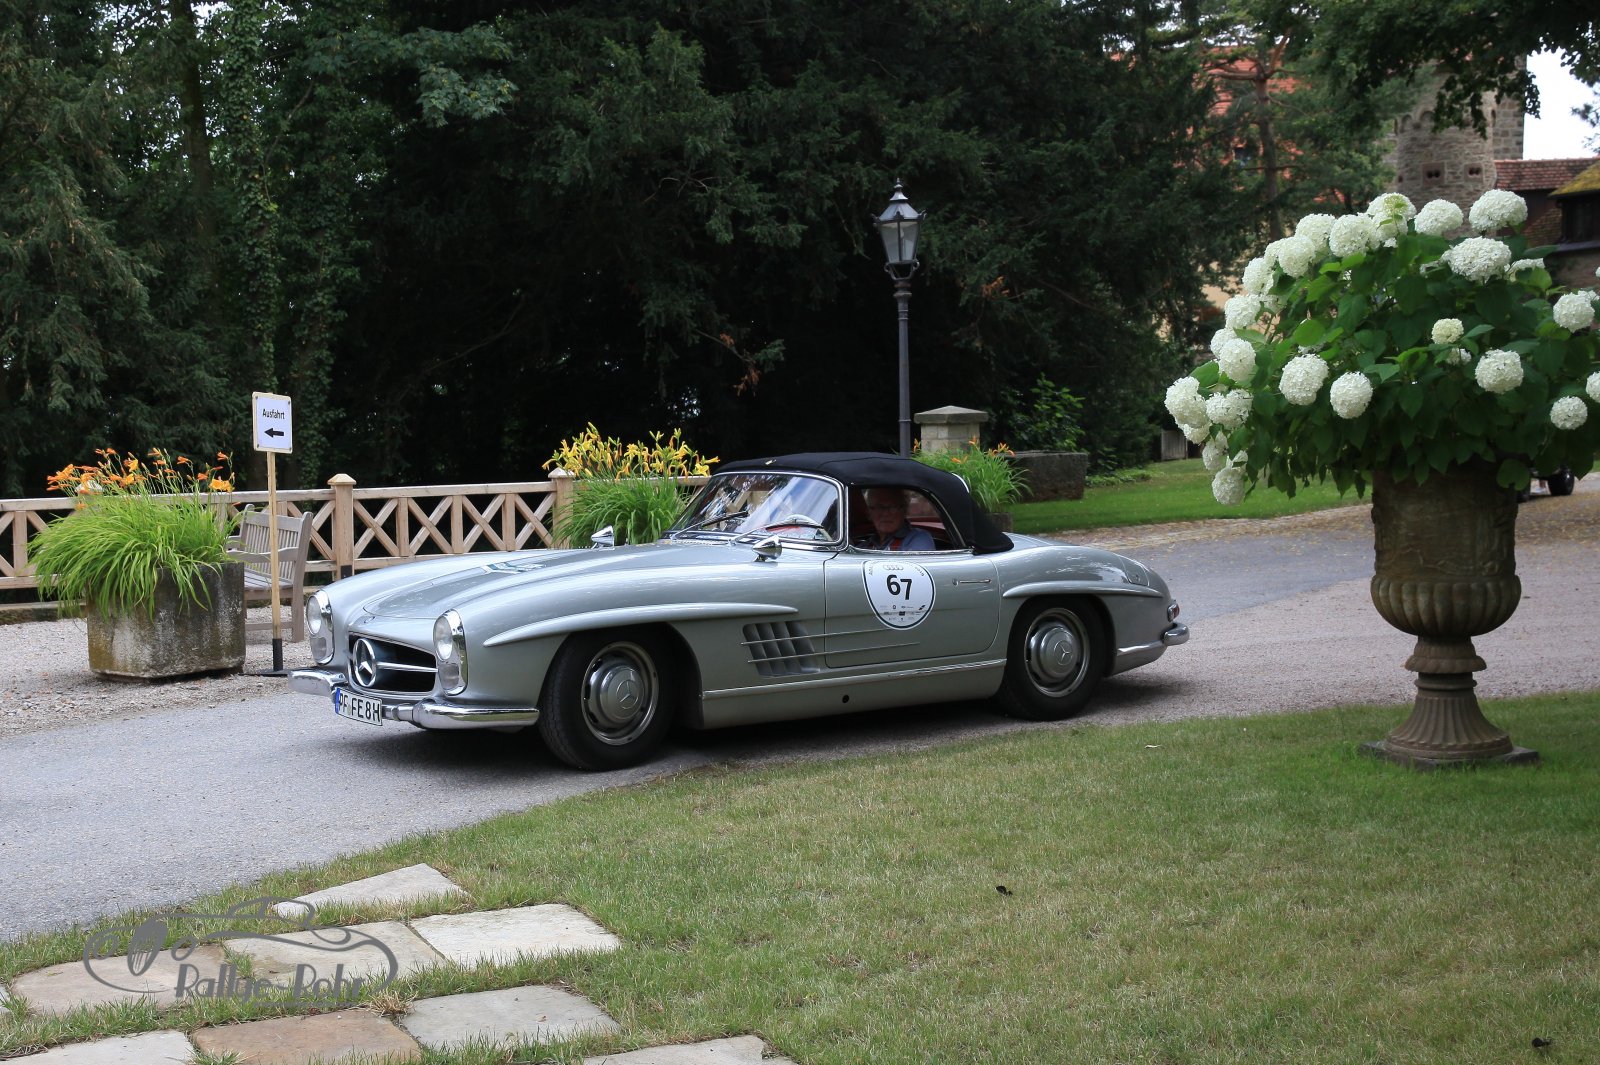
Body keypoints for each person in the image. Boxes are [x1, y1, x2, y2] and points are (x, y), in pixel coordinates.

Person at [856, 487, 935, 551]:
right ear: (869, 513)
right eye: (879, 507)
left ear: (904, 510)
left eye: (893, 506)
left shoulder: (919, 539)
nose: (885, 513)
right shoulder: (865, 545)